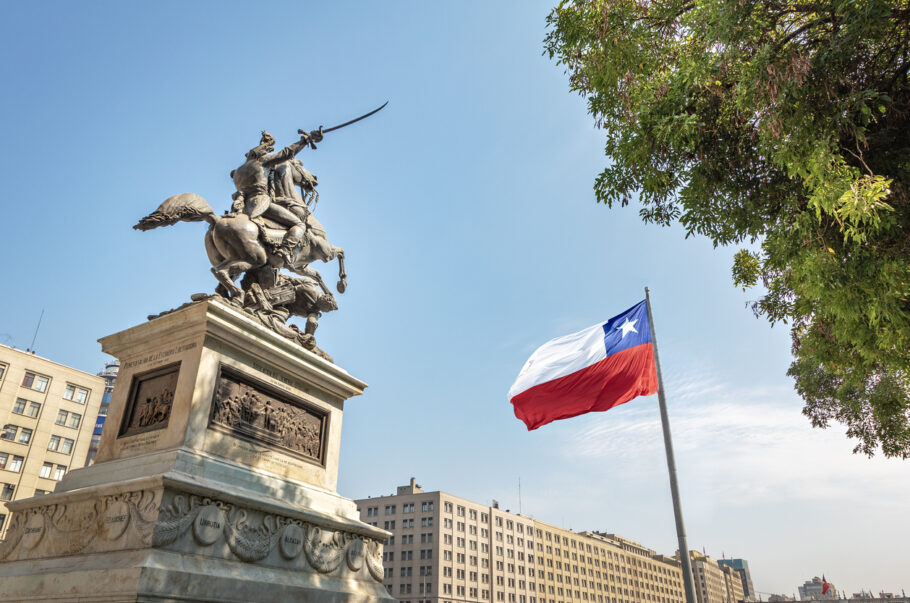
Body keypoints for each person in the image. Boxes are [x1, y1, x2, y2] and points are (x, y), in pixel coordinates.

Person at [230, 129, 323, 261]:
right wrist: (305, 140)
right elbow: (286, 153)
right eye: (268, 151)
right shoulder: (261, 162)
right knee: (300, 225)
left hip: (243, 206)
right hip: (260, 203)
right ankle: (285, 250)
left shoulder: (238, 172)